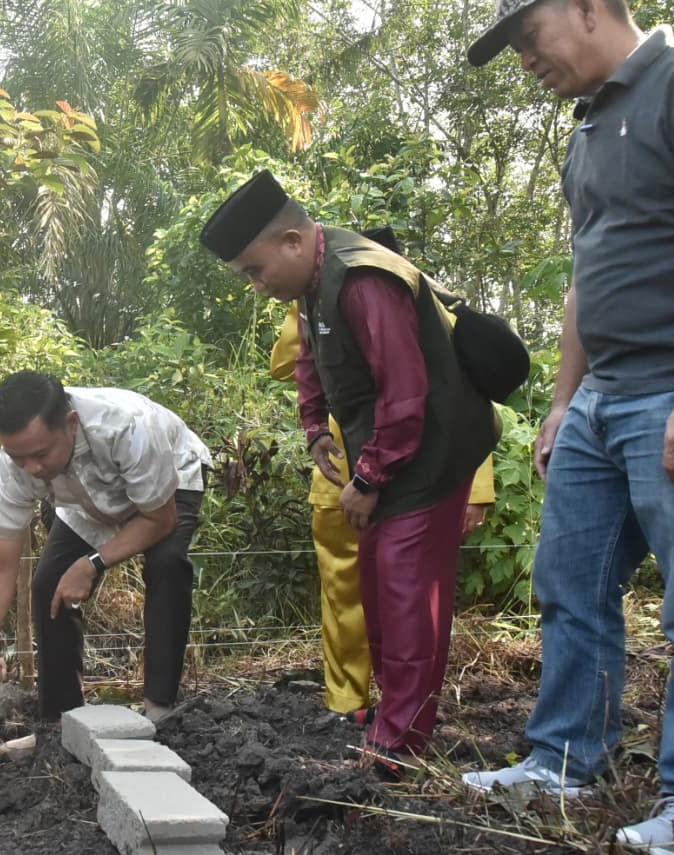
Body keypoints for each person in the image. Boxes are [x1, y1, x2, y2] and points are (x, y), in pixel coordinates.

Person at [462, 1, 674, 852]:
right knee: (570, 584)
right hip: (604, 399)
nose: (524, 57)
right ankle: (564, 755)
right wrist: (567, 399)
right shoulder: (589, 126)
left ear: (588, 7)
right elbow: (586, 271)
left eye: (529, 35)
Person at [201, 171, 500, 773]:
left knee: (407, 597)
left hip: (432, 455)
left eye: (255, 270)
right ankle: (390, 714)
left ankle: (400, 747)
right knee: (378, 593)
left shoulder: (364, 278)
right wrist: (314, 428)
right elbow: (313, 359)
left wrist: (367, 481)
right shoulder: (311, 285)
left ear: (291, 239)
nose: (257, 286)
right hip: (390, 454)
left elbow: (406, 391)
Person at [270, 301, 499, 720]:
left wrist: (478, 489)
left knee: (409, 599)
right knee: (342, 594)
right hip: (340, 472)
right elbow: (286, 365)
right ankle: (348, 701)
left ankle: (404, 707)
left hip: (423, 476)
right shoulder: (314, 303)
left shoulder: (431, 310)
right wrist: (302, 309)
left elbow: (465, 400)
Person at [0, 371, 211, 722]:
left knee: (167, 562)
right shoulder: (15, 466)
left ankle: (159, 709)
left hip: (169, 479)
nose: (31, 468)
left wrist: (92, 563)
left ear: (70, 423)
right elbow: (1, 565)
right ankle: (62, 717)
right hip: (87, 500)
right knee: (49, 584)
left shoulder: (126, 427)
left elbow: (159, 520)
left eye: (40, 454)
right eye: (19, 457)